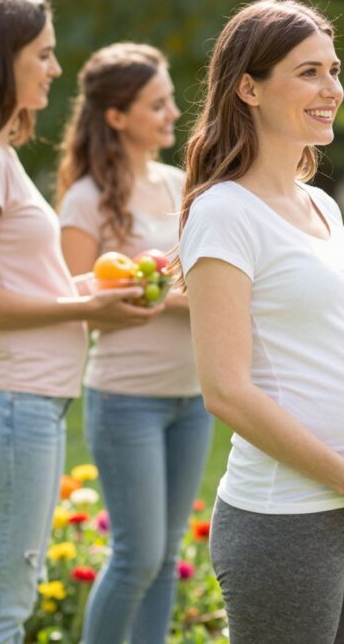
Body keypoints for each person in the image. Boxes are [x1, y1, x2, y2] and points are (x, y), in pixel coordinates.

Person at [177, 0, 344, 644]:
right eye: (309, 72)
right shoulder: (223, 213)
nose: (332, 90)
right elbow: (225, 390)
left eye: (334, 70)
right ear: (249, 88)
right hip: (289, 518)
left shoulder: (321, 204)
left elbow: (313, 317)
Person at [0, 0, 154, 643]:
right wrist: (85, 304)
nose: (55, 68)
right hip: (12, 402)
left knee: (4, 595)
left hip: (25, 402)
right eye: (42, 54)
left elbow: (16, 282)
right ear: (2, 58)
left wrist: (99, 289)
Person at [55, 43, 213, 644]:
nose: (173, 113)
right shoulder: (85, 198)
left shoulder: (182, 185)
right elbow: (75, 303)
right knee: (136, 557)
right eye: (157, 104)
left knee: (166, 557)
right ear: (117, 115)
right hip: (127, 400)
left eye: (170, 100)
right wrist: (168, 295)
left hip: (193, 396)